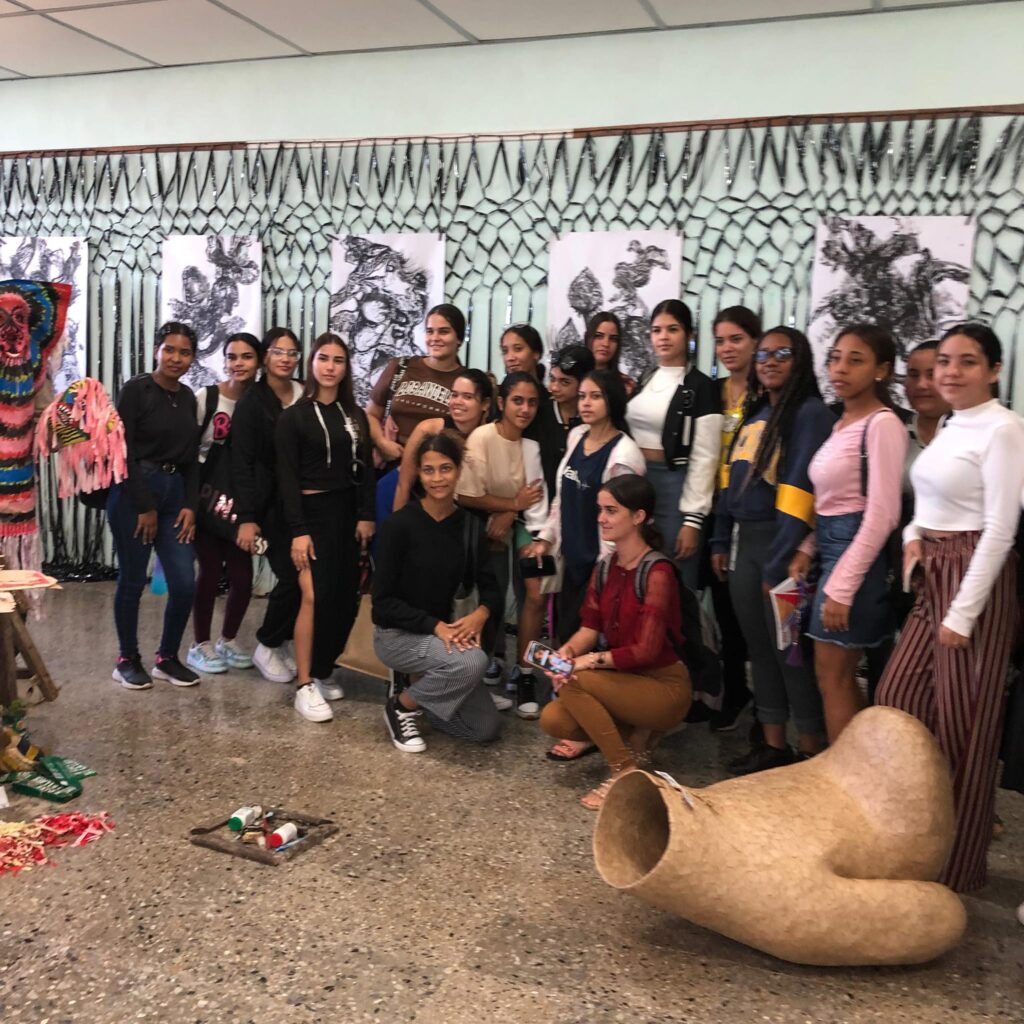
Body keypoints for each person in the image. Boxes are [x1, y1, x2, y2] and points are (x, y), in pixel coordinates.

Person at [877, 323, 1024, 893]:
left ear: (993, 370)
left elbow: (1001, 527)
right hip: (932, 570)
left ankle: (955, 871)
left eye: (967, 361)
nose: (951, 372)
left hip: (974, 575)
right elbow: (928, 499)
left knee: (966, 728)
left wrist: (964, 613)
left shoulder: (1004, 428)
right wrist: (913, 535)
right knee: (897, 697)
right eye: (944, 361)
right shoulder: (951, 423)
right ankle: (915, 838)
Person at [710, 326, 834, 773]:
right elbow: (729, 483)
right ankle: (773, 744)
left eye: (783, 353)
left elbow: (801, 490)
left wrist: (779, 561)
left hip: (781, 548)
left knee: (791, 654)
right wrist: (720, 537)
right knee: (759, 650)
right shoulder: (756, 413)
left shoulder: (810, 413)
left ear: (800, 359)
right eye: (763, 354)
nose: (770, 361)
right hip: (745, 545)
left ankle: (812, 750)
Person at [539, 474, 692, 808]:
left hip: (664, 686)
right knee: (554, 718)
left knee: (575, 680)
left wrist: (587, 661)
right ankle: (638, 735)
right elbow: (589, 628)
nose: (601, 518)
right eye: (600, 510)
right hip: (625, 680)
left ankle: (624, 771)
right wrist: (568, 651)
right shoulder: (606, 566)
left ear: (638, 517)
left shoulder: (658, 571)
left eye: (611, 511)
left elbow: (646, 650)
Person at [789, 326, 907, 742]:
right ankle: (857, 767)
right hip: (831, 551)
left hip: (854, 561)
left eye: (855, 360)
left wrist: (842, 586)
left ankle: (847, 775)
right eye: (836, 358)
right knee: (832, 677)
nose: (840, 368)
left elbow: (883, 513)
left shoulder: (882, 424)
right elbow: (834, 501)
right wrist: (808, 547)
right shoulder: (842, 423)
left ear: (882, 370)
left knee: (834, 677)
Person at [373, 432, 504, 752]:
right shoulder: (399, 526)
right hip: (399, 636)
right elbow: (382, 605)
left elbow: (492, 588)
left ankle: (424, 692)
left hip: (448, 637)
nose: (437, 478)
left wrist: (481, 614)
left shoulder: (470, 526)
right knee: (472, 663)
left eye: (445, 468)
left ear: (458, 470)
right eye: (428, 470)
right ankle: (401, 706)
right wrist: (435, 627)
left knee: (484, 729)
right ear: (418, 474)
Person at [276, 333, 375, 723]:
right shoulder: (294, 417)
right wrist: (298, 530)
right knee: (312, 595)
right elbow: (286, 478)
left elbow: (365, 470)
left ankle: (322, 668)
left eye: (338, 360)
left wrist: (366, 514)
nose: (330, 366)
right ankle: (303, 684)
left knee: (341, 596)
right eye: (323, 358)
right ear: (312, 363)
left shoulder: (355, 415)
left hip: (346, 513)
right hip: (309, 514)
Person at [107, 321, 200, 690]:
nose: (176, 358)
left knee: (185, 582)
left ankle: (167, 658)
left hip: (175, 494)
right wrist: (144, 505)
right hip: (135, 492)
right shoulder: (136, 390)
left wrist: (191, 504)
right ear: (157, 350)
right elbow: (122, 451)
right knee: (132, 580)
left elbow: (192, 457)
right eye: (170, 350)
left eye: (185, 352)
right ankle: (126, 659)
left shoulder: (188, 397)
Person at [529, 369, 645, 642]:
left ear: (612, 400)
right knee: (564, 634)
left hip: (601, 564)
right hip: (570, 559)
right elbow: (562, 498)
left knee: (586, 639)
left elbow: (623, 522)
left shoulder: (624, 454)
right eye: (582, 396)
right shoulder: (577, 436)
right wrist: (546, 538)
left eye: (595, 396)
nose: (586, 403)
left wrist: (604, 570)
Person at [457, 372, 549, 718]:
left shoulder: (533, 445)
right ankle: (482, 669)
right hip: (484, 525)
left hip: (526, 525)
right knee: (490, 595)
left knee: (536, 593)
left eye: (532, 402)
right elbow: (466, 494)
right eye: (517, 401)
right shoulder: (482, 437)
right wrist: (509, 505)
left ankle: (526, 673)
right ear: (500, 403)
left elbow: (534, 498)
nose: (525, 409)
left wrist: (513, 512)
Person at [626, 299, 721, 589]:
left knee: (673, 579)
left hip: (675, 488)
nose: (663, 337)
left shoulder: (701, 387)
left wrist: (692, 521)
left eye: (673, 329)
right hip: (637, 485)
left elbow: (705, 458)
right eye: (657, 330)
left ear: (689, 335)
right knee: (636, 573)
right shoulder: (646, 377)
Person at [230, 327, 305, 685]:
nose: (285, 359)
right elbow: (241, 464)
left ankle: (284, 640)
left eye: (292, 353)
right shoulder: (251, 403)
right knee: (291, 576)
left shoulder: (305, 393)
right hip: (270, 505)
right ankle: (267, 643)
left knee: (308, 577)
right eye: (278, 352)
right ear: (265, 357)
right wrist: (247, 517)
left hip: (305, 503)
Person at [186, 332, 261, 674]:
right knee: (210, 571)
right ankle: (199, 644)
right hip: (207, 498)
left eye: (246, 356)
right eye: (232, 357)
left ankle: (227, 639)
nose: (238, 363)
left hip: (242, 502)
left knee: (243, 576)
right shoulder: (209, 397)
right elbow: (189, 450)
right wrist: (189, 502)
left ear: (258, 361)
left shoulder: (261, 402)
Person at [706, 305, 761, 731]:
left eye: (736, 339)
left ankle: (766, 700)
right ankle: (732, 689)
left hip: (752, 512)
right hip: (712, 507)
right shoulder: (713, 391)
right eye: (720, 340)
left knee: (753, 613)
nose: (727, 348)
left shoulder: (767, 391)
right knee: (723, 606)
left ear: (755, 342)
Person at [366, 303, 465, 465]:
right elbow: (371, 414)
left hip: (438, 469)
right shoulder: (401, 366)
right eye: (430, 331)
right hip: (393, 463)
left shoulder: (465, 381)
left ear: (459, 339)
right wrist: (382, 443)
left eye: (443, 331)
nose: (435, 338)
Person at [392, 368, 492, 512]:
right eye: (454, 395)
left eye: (467, 397)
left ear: (485, 404)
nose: (457, 402)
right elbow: (403, 486)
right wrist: (397, 523)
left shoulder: (489, 435)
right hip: (418, 507)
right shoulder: (427, 429)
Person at [531, 345, 595, 498]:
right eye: (552, 379)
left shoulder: (593, 419)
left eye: (564, 382)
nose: (554, 387)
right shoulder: (539, 415)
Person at [903, 339, 952, 490]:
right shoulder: (895, 430)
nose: (921, 385)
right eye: (914, 375)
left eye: (931, 375)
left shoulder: (973, 433)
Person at [585, 311, 635, 394]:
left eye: (613, 339)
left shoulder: (625, 385)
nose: (606, 344)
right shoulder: (574, 380)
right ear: (588, 338)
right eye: (599, 336)